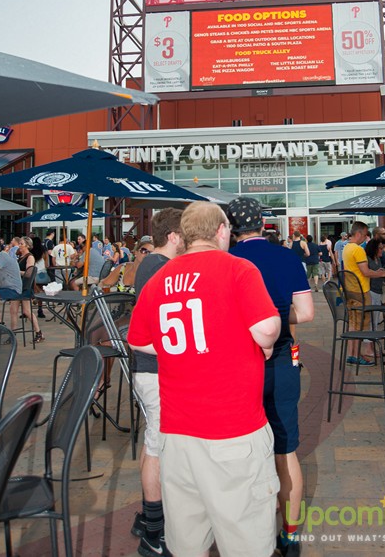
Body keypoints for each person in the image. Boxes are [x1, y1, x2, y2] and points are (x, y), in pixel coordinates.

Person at [128, 202, 281, 557]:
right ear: (222, 231)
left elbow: (136, 339)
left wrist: (180, 349)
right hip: (234, 430)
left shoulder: (160, 276)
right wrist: (265, 346)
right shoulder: (238, 268)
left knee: (187, 541)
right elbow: (266, 327)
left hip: (177, 434)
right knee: (246, 541)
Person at [228, 197, 313, 557]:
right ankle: (290, 537)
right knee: (286, 448)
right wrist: (277, 316)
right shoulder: (286, 256)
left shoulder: (227, 261)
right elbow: (306, 313)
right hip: (281, 358)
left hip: (237, 362)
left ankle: (247, 531)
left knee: (238, 449)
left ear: (230, 227)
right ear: (263, 222)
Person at [130, 209, 184, 557]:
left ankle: (149, 518)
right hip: (153, 369)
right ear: (175, 236)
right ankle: (154, 529)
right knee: (157, 446)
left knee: (156, 443)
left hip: (153, 369)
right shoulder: (160, 268)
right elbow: (147, 328)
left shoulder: (154, 265)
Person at [342, 222, 385, 365]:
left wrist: (376, 272)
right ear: (358, 234)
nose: (365, 238)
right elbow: (365, 272)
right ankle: (356, 356)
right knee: (362, 325)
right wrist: (383, 274)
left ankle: (352, 354)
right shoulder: (357, 250)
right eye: (364, 235)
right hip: (361, 291)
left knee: (353, 324)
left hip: (350, 289)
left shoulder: (347, 248)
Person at [15, 236, 44, 343]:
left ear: (27, 245)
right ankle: (12, 334)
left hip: (25, 286)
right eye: (19, 243)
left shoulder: (29, 257)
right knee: (15, 311)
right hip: (19, 286)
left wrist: (15, 272)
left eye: (21, 243)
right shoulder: (21, 256)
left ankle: (39, 332)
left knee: (27, 311)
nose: (19, 245)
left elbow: (29, 273)